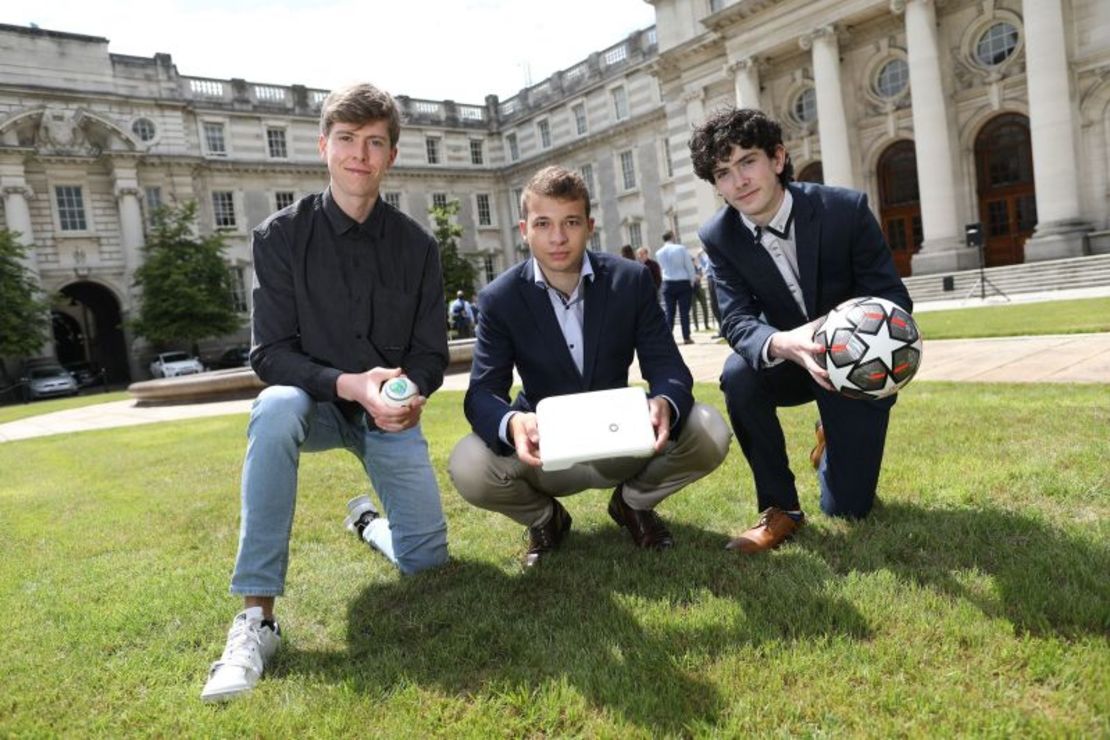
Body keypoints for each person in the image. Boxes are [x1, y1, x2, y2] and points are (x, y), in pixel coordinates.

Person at [201, 83, 450, 702]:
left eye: (374, 143)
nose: (359, 155)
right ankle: (257, 617)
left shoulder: (418, 247)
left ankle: (367, 524)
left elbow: (429, 354)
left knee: (426, 561)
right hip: (313, 407)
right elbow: (269, 354)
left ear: (391, 156)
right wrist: (348, 385)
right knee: (276, 403)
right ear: (323, 146)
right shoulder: (279, 238)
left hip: (384, 417)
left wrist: (408, 392)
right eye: (346, 140)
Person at [448, 166, 731, 567]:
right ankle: (548, 520)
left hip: (623, 441)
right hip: (547, 451)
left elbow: (667, 365)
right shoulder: (500, 298)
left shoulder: (630, 281)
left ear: (589, 226)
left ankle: (633, 504)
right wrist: (512, 423)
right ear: (524, 228)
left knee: (710, 428)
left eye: (571, 223)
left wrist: (665, 400)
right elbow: (482, 393)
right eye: (544, 224)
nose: (558, 238)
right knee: (468, 464)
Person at [690, 108, 912, 553]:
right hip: (790, 360)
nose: (739, 181)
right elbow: (736, 320)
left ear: (777, 158)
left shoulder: (844, 209)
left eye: (747, 161)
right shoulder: (719, 235)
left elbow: (893, 300)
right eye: (723, 173)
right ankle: (780, 510)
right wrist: (782, 342)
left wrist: (845, 334)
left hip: (855, 361)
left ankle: (829, 442)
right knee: (738, 374)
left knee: (848, 509)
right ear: (716, 185)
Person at [655, 231, 698, 345]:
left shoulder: (659, 252)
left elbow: (662, 268)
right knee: (684, 312)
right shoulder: (680, 248)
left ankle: (668, 338)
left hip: (668, 283)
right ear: (672, 237)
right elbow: (689, 266)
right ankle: (686, 337)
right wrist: (692, 280)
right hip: (682, 282)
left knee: (669, 312)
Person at [696, 249, 723, 337]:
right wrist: (699, 256)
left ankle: (723, 329)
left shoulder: (715, 252)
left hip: (715, 278)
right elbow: (704, 266)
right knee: (714, 305)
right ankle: (721, 328)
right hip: (709, 279)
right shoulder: (706, 255)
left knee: (717, 304)